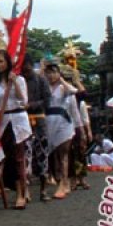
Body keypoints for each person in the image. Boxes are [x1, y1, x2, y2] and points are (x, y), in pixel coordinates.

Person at [0, 50, 30, 210]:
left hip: (18, 120)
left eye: (1, 61)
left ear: (7, 62)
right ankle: (1, 189)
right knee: (2, 158)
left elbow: (24, 102)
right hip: (3, 121)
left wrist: (16, 84)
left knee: (18, 158)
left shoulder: (19, 79)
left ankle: (21, 194)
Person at [43, 63, 76, 199]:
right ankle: (61, 180)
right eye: (49, 73)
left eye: (54, 72)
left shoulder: (63, 87)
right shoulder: (45, 88)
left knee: (63, 154)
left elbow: (73, 91)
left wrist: (61, 79)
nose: (51, 75)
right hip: (48, 121)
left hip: (62, 122)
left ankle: (63, 183)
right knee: (52, 154)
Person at [21, 59, 51, 202]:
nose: (25, 70)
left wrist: (30, 105)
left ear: (31, 66)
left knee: (42, 156)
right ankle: (26, 190)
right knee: (25, 157)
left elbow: (47, 101)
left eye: (27, 68)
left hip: (39, 121)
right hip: (24, 121)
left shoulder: (41, 80)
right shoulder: (20, 80)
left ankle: (43, 189)